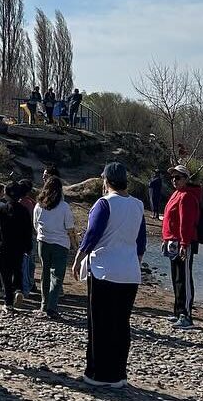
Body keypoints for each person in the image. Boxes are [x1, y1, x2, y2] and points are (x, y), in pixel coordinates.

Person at [72, 162, 147, 389]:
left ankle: (98, 373)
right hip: (129, 272)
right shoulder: (138, 205)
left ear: (106, 181)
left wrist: (78, 258)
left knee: (100, 323)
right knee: (121, 324)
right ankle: (118, 373)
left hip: (105, 270)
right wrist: (136, 262)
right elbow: (141, 241)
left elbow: (92, 234)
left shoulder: (104, 203)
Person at [163, 165, 203, 328]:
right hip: (173, 241)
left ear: (186, 179)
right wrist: (166, 239)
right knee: (176, 277)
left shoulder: (187, 196)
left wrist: (184, 244)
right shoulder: (176, 194)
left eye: (178, 177)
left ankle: (186, 315)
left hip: (183, 242)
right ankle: (178, 311)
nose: (174, 180)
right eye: (173, 177)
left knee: (184, 278)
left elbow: (186, 223)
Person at [33, 175, 75, 318]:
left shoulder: (39, 205)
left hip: (43, 242)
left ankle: (44, 304)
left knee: (45, 273)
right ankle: (52, 306)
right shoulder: (64, 207)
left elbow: (35, 224)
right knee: (57, 276)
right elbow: (70, 228)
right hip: (60, 244)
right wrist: (75, 245)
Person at [0, 181, 34, 313]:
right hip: (19, 247)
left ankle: (8, 302)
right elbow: (28, 231)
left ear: (6, 194)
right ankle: (19, 289)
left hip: (3, 247)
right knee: (17, 269)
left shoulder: (1, 210)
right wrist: (28, 247)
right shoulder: (24, 210)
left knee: (5, 275)